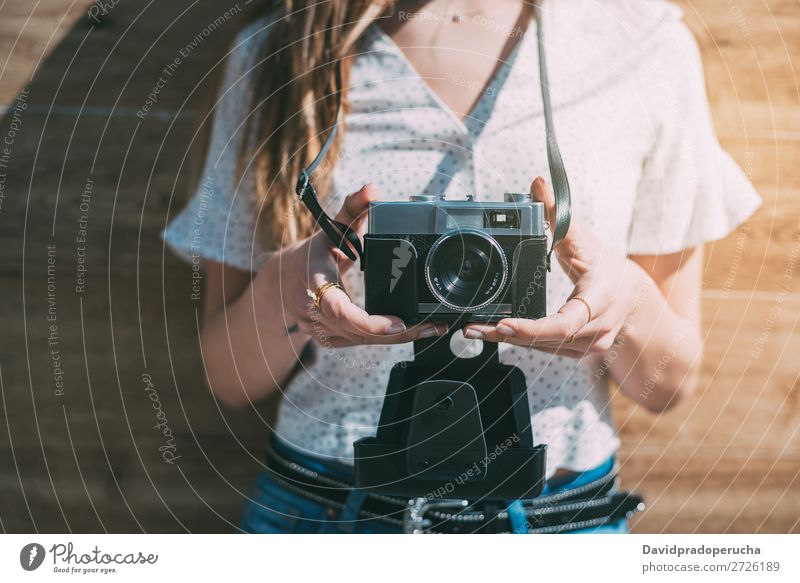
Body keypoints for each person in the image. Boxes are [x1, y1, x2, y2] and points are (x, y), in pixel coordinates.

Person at [162, 0, 761, 534]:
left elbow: (666, 383)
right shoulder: (282, 46)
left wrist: (624, 300)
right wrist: (290, 286)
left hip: (558, 506)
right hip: (326, 504)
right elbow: (230, 379)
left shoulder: (641, 39)